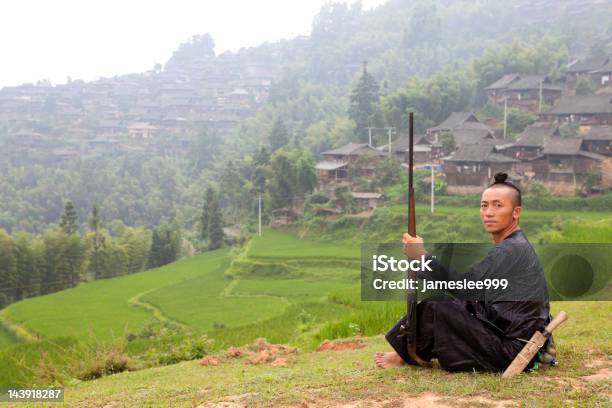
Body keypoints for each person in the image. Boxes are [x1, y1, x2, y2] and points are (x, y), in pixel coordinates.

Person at [374, 172, 555, 372]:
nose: (488, 212)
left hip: (512, 350)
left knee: (438, 305)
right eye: (484, 205)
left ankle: (405, 355)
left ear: (516, 212)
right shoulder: (514, 245)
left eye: (498, 205)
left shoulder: (510, 250)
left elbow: (463, 286)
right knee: (453, 302)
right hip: (515, 337)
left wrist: (421, 257)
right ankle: (407, 352)